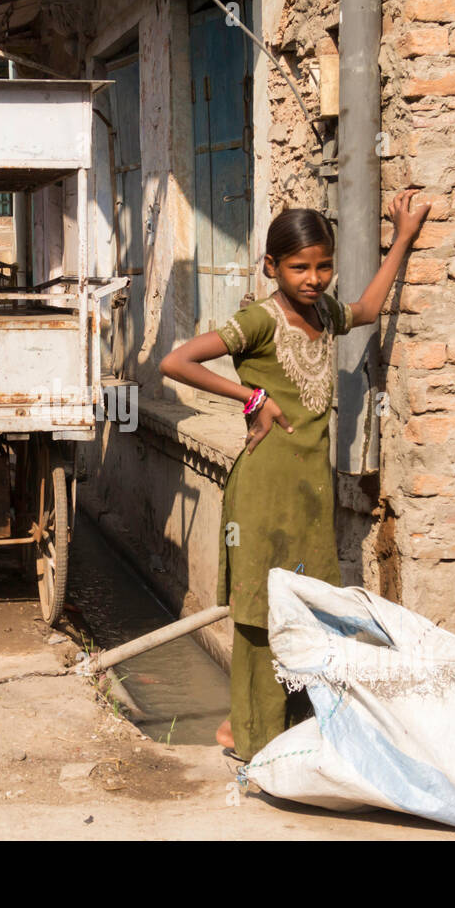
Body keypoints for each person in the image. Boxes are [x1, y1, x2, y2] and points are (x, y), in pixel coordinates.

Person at [158, 190, 430, 762]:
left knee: (308, 610)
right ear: (271, 267)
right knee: (259, 615)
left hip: (310, 495)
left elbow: (366, 311)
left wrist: (402, 239)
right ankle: (251, 734)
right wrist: (251, 395)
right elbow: (176, 361)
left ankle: (290, 728)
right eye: (299, 267)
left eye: (323, 266)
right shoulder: (259, 319)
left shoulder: (325, 314)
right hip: (261, 493)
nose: (313, 278)